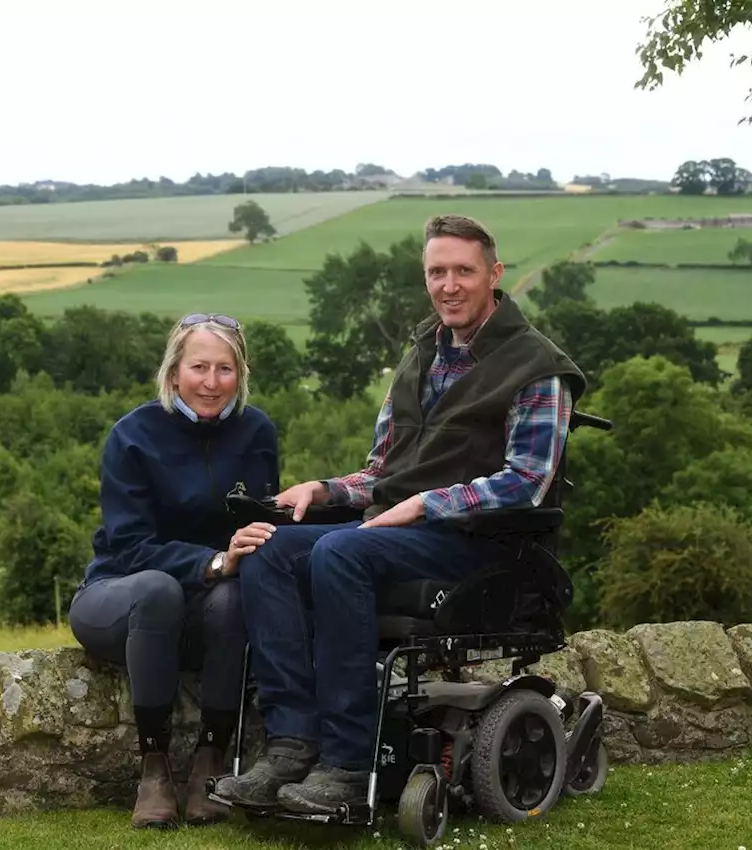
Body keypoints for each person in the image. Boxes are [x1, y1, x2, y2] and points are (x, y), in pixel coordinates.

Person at [212, 214, 588, 815]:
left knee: (338, 552)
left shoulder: (536, 367)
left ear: (494, 274)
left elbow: (527, 481)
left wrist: (425, 505)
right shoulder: (421, 356)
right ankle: (289, 743)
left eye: (463, 271)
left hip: (479, 543)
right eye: (436, 272)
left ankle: (345, 762)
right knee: (269, 546)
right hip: (397, 530)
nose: (449, 285)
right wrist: (324, 490)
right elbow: (381, 473)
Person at [69, 312, 280, 829]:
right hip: (119, 596)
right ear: (173, 373)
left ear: (241, 375)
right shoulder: (132, 435)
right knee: (161, 590)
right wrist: (211, 560)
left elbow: (257, 525)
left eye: (225, 369)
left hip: (206, 607)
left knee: (235, 594)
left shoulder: (256, 432)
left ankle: (210, 763)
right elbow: (130, 545)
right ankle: (155, 769)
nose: (211, 383)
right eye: (199, 367)